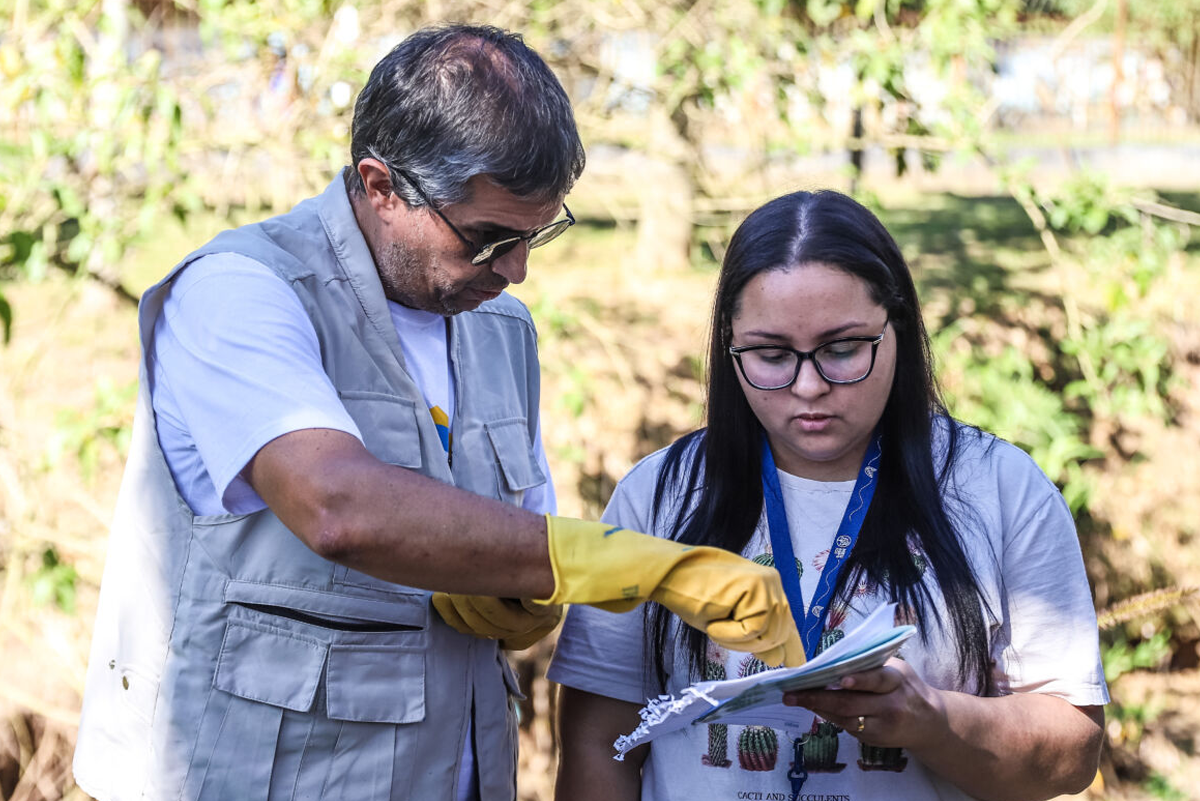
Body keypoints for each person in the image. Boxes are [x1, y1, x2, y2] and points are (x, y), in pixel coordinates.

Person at [71, 24, 803, 801]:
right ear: (382, 186)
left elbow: (522, 532)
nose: (516, 270)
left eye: (536, 235)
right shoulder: (241, 292)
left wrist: (516, 596)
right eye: (490, 237)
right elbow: (336, 504)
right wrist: (638, 563)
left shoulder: (501, 329)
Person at [549, 189, 1109, 801]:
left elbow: (1072, 750)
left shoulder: (998, 488)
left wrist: (933, 721)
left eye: (842, 350)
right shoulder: (659, 495)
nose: (809, 386)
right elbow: (597, 739)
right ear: (728, 345)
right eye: (770, 355)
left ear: (897, 328)